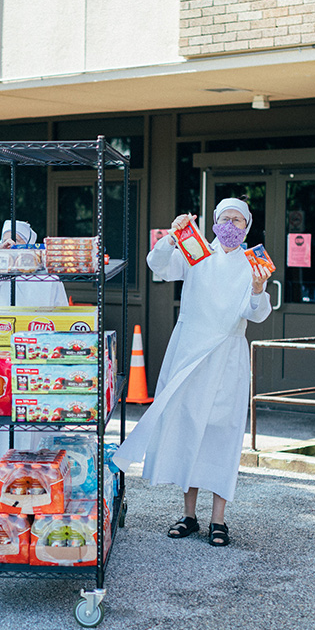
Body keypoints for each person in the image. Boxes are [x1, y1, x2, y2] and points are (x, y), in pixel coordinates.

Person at [113, 199, 272, 547]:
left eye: (238, 220)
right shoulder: (196, 251)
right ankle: (189, 515)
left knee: (222, 433)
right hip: (189, 350)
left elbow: (256, 313)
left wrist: (258, 290)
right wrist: (171, 237)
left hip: (228, 354)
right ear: (214, 222)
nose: (231, 225)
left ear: (247, 226)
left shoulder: (252, 263)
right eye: (225, 219)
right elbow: (157, 265)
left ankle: (219, 518)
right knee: (188, 428)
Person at [0, 218, 68, 466]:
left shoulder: (50, 278)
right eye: (6, 240)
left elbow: (62, 316)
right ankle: (5, 476)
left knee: (34, 420)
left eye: (18, 240)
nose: (11, 246)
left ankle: (35, 472)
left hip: (38, 354)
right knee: (2, 410)